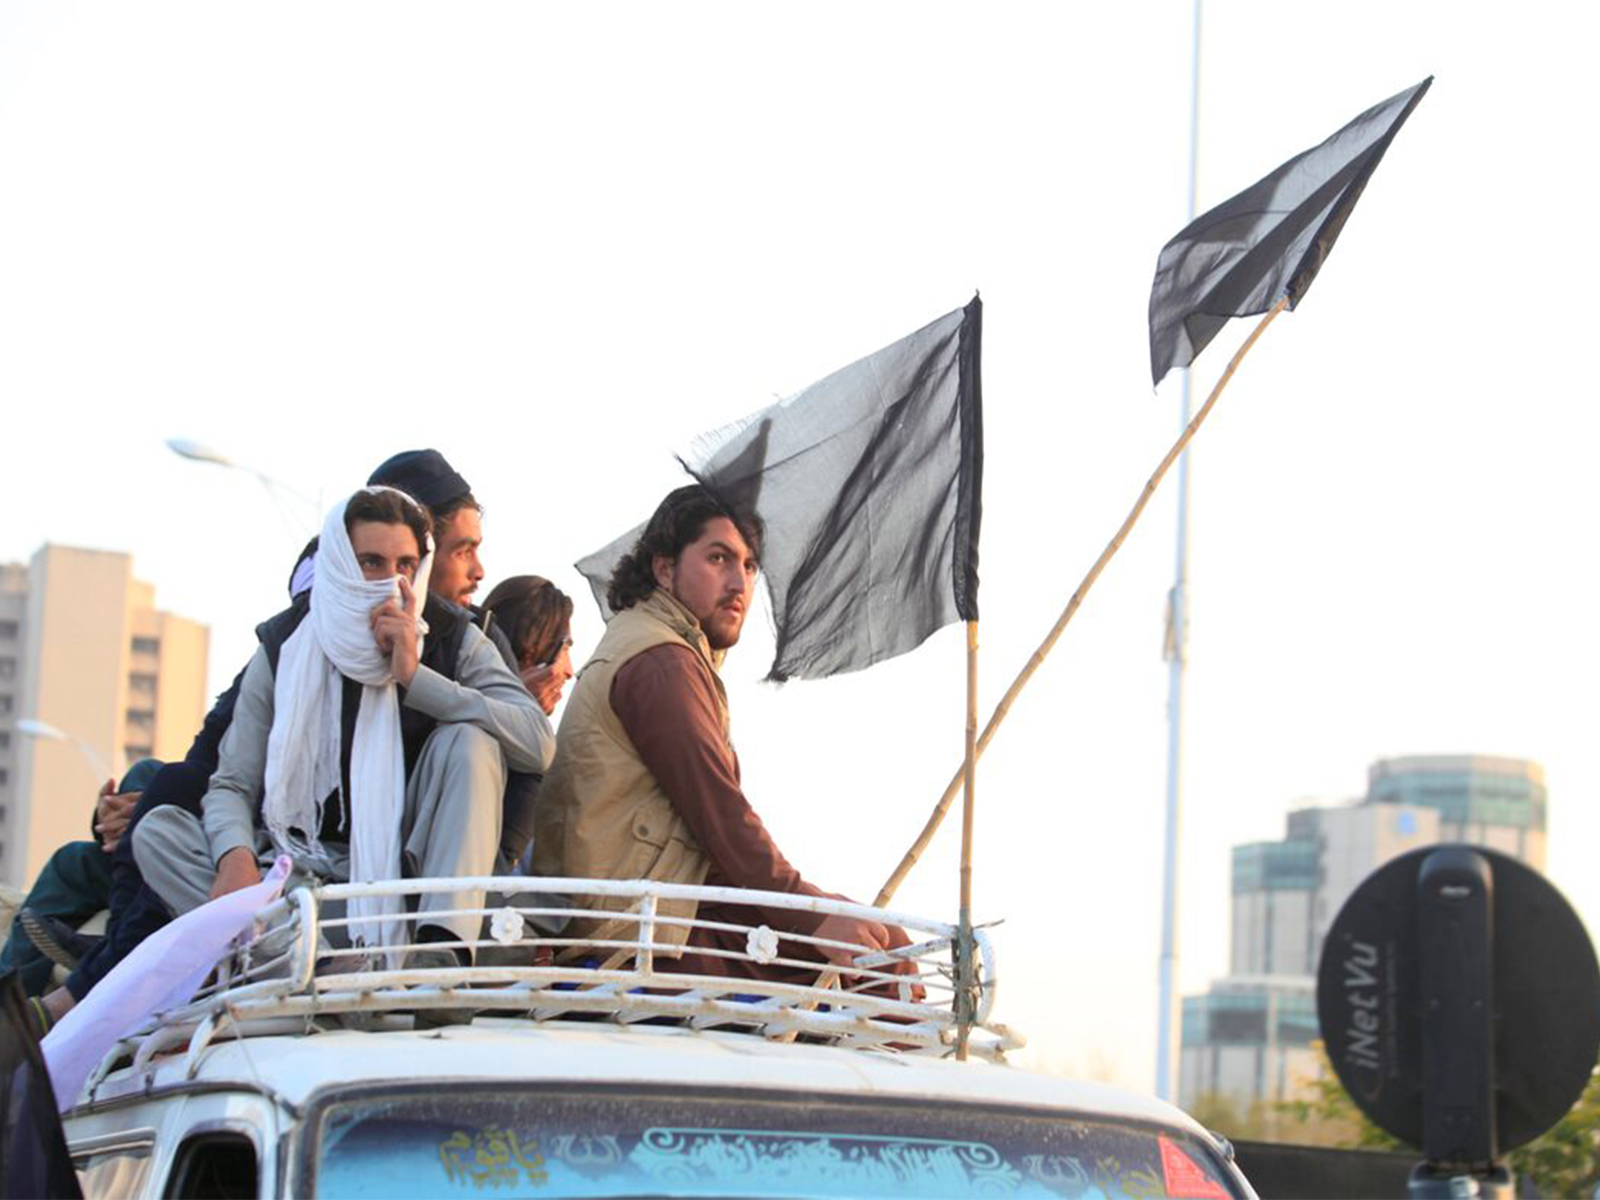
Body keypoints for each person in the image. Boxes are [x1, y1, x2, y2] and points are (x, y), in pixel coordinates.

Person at [135, 487, 552, 970]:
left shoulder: (452, 636)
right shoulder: (285, 644)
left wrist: (416, 678)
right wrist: (235, 856)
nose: (390, 581)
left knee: (471, 740)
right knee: (159, 832)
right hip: (298, 884)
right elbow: (232, 784)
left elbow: (537, 743)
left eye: (405, 565)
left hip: (407, 887)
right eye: (371, 563)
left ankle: (439, 958)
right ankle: (314, 965)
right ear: (338, 564)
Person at [533, 484, 911, 983]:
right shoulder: (661, 662)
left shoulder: (652, 643)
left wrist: (818, 907)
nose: (739, 584)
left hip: (656, 905)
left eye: (750, 566)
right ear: (664, 569)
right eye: (718, 558)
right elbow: (721, 815)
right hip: (635, 929)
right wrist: (810, 914)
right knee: (880, 962)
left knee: (878, 936)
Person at [0, 760, 162, 998]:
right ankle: (10, 1002)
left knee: (159, 783)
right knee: (76, 858)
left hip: (200, 862)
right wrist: (110, 818)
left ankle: (111, 952)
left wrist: (160, 814)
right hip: (159, 854)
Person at [481, 575, 575, 871]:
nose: (570, 671)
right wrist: (517, 712)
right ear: (533, 650)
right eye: (565, 648)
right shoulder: (471, 738)